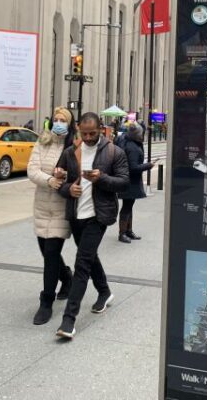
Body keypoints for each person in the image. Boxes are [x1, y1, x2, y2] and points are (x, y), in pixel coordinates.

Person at [54, 112, 129, 339]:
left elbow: (124, 182)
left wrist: (102, 178)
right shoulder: (69, 152)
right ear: (78, 129)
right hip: (76, 215)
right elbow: (60, 180)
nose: (87, 138)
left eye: (92, 133)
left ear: (101, 129)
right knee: (89, 256)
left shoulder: (114, 151)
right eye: (84, 133)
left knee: (82, 263)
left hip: (99, 215)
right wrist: (68, 189)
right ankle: (104, 292)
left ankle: (69, 320)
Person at [26, 107, 76, 325]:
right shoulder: (42, 141)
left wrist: (65, 176)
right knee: (46, 252)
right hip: (41, 206)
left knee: (52, 252)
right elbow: (32, 169)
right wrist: (49, 180)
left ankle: (46, 300)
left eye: (62, 120)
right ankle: (66, 278)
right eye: (55, 119)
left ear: (69, 123)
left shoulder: (75, 145)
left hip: (61, 206)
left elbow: (78, 173)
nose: (58, 123)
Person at [117, 121, 152, 243]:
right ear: (137, 134)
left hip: (128, 180)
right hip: (130, 182)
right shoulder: (132, 147)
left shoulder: (127, 141)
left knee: (129, 206)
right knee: (127, 207)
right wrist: (148, 165)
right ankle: (122, 233)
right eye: (141, 133)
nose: (142, 136)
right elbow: (133, 168)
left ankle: (128, 231)